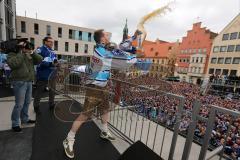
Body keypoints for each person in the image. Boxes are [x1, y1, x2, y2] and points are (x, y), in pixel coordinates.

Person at [63, 29, 144, 159]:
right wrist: (137, 56)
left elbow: (121, 46)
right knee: (85, 115)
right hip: (94, 88)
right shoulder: (103, 53)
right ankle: (69, 139)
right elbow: (123, 63)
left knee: (105, 109)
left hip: (103, 86)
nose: (109, 35)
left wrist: (134, 36)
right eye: (106, 35)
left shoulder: (103, 49)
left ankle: (104, 131)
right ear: (102, 39)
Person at [7, 41, 43, 132]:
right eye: (23, 46)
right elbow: (14, 64)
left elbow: (39, 60)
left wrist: (32, 52)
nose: (26, 48)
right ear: (18, 47)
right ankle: (15, 123)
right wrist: (21, 52)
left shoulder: (28, 54)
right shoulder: (11, 54)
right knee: (19, 104)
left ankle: (25, 119)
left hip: (28, 81)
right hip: (19, 82)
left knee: (27, 102)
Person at [33, 37, 58, 114]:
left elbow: (54, 60)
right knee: (39, 91)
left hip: (52, 74)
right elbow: (38, 61)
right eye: (50, 41)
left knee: (52, 90)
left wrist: (57, 64)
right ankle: (36, 106)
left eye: (52, 42)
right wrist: (50, 64)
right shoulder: (40, 50)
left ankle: (51, 104)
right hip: (43, 74)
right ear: (45, 42)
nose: (51, 43)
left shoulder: (52, 51)